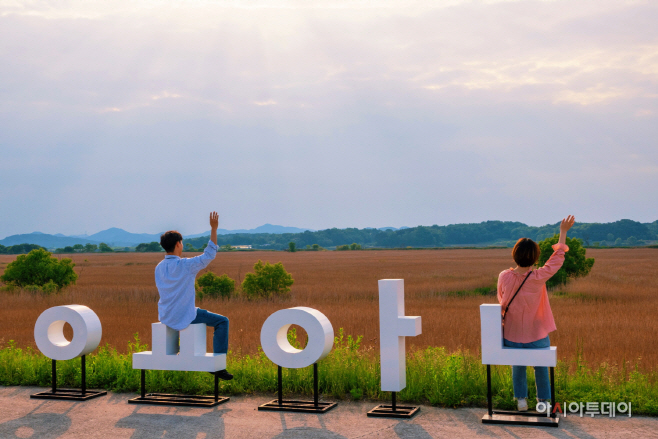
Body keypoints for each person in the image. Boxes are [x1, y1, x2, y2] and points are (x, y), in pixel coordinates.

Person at [497, 215, 575, 411]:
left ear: (514, 255)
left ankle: (521, 400)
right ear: (535, 257)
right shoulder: (538, 277)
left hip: (511, 335)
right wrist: (563, 232)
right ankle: (543, 402)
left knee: (518, 366)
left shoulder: (504, 276)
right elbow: (556, 260)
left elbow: (501, 300)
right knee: (541, 366)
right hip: (536, 334)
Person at [155, 211, 233, 380]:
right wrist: (214, 229)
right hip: (186, 314)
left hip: (166, 315)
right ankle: (218, 366)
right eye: (181, 242)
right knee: (222, 321)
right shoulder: (186, 265)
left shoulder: (159, 267)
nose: (182, 245)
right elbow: (209, 254)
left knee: (201, 312)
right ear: (177, 244)